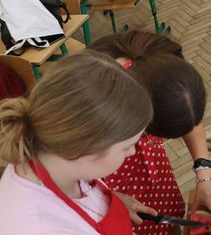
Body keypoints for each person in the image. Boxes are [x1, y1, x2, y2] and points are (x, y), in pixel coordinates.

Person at [90, 31, 211, 235]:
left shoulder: (160, 59)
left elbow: (188, 113)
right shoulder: (88, 104)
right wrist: (105, 198)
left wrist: (205, 174)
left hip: (152, 181)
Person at [0, 50, 156, 234]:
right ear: (86, 150)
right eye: (126, 147)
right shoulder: (41, 229)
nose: (132, 152)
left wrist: (109, 203)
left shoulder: (51, 151)